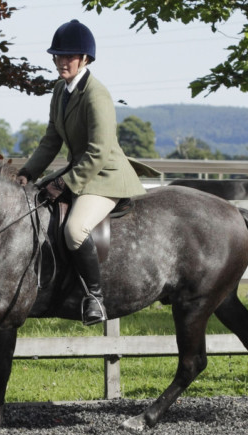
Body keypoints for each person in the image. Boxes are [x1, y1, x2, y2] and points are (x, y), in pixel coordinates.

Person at [16, 19, 156, 326]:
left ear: (85, 59)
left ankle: (95, 298)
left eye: (69, 56)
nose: (62, 62)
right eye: (58, 56)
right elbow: (51, 139)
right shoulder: (59, 90)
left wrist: (65, 183)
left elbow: (99, 150)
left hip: (106, 175)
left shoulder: (96, 94)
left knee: (74, 229)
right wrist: (28, 172)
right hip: (81, 169)